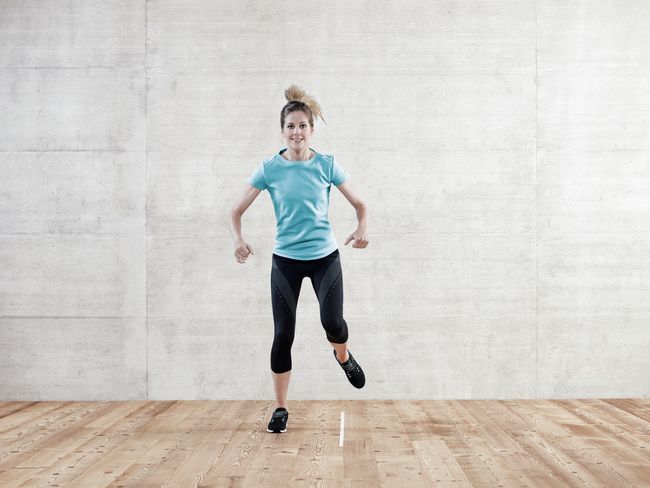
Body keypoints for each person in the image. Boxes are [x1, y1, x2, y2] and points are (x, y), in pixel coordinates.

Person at [229, 84, 369, 434]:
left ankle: (343, 355)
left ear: (311, 129)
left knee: (332, 324)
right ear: (282, 131)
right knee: (282, 335)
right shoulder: (269, 168)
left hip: (325, 258)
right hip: (286, 262)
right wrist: (238, 239)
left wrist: (362, 227)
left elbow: (361, 205)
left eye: (302, 125)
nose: (296, 132)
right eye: (290, 126)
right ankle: (280, 409)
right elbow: (236, 211)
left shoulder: (326, 165)